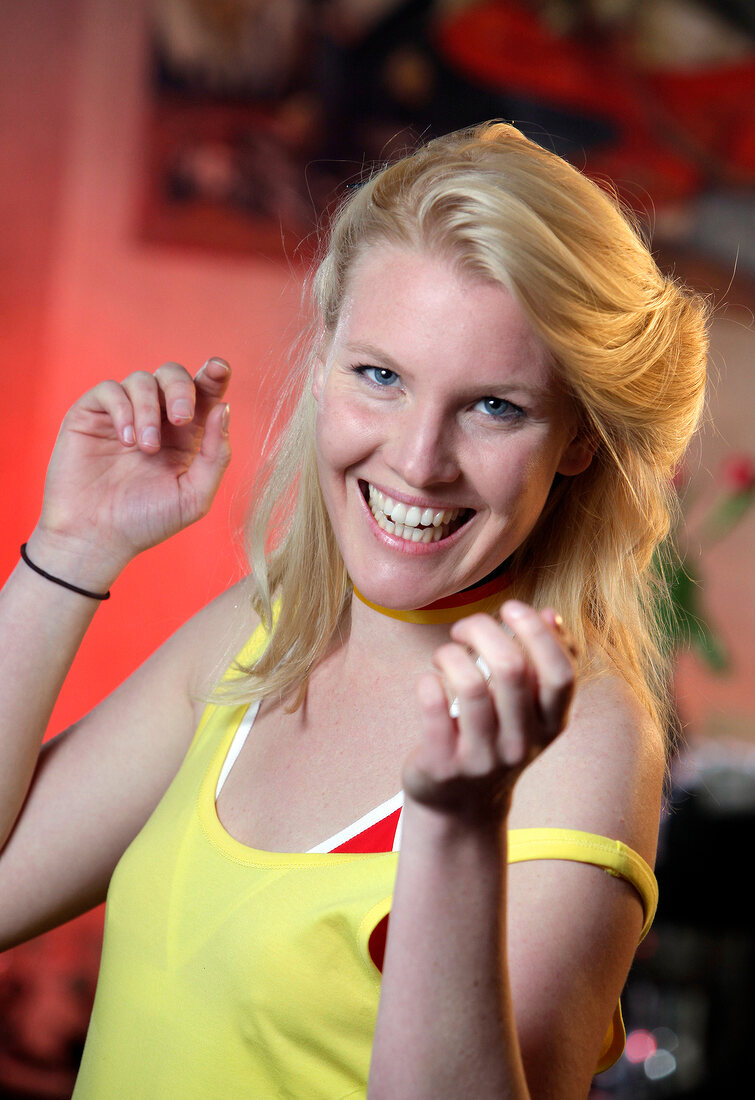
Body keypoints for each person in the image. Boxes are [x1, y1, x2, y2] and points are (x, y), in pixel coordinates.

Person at [0, 122, 708, 1098]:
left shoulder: (578, 733)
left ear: (577, 439)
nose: (418, 459)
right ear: (325, 361)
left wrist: (456, 823)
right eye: (380, 375)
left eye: (493, 405)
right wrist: (71, 549)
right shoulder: (264, 630)